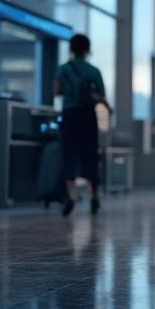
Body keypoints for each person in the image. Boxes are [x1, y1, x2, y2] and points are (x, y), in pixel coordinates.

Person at [53, 33, 111, 217]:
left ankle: (70, 196)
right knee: (90, 156)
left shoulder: (63, 69)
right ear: (87, 49)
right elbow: (101, 96)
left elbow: (56, 92)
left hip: (69, 114)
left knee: (69, 154)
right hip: (87, 116)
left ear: (71, 48)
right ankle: (94, 197)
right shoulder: (94, 71)